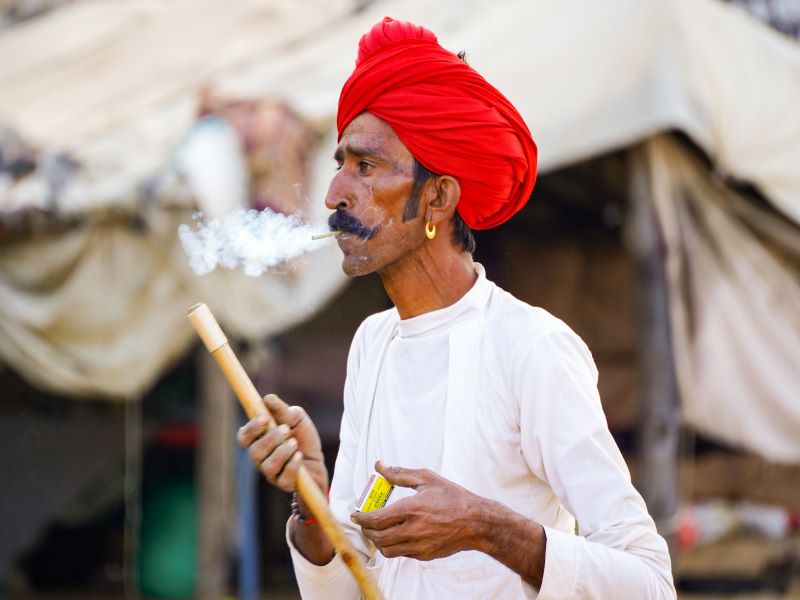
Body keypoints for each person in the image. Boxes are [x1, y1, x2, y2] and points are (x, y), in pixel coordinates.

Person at [237, 16, 676, 599]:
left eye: (365, 167)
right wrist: (313, 502)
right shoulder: (374, 344)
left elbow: (649, 582)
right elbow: (349, 587)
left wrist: (487, 528)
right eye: (340, 164)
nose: (334, 193)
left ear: (438, 197)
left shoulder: (532, 349)